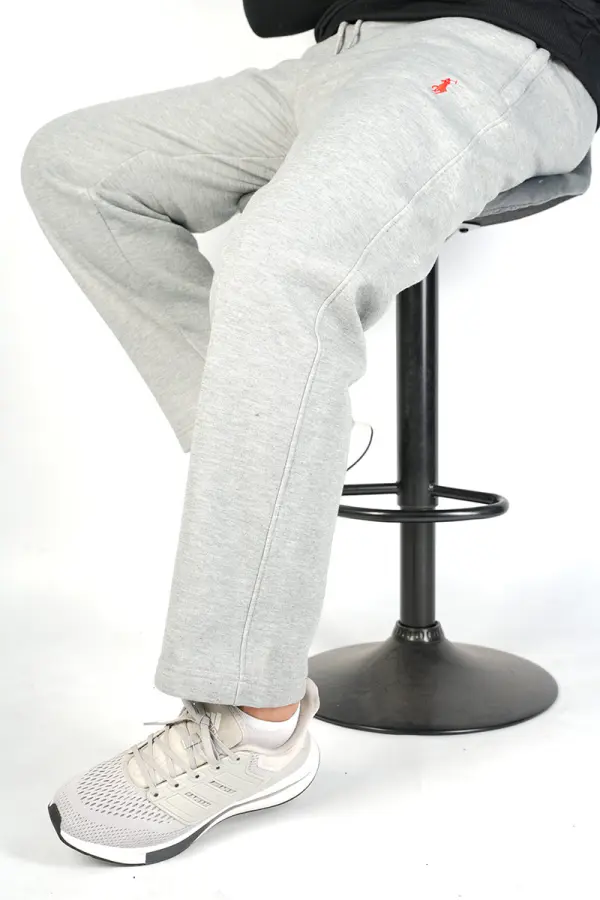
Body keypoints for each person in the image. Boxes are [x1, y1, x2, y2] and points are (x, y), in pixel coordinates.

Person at [20, 0, 598, 868]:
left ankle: (253, 726)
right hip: (338, 56)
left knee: (280, 267)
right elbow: (275, 11)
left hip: (493, 48)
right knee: (77, 168)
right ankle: (304, 427)